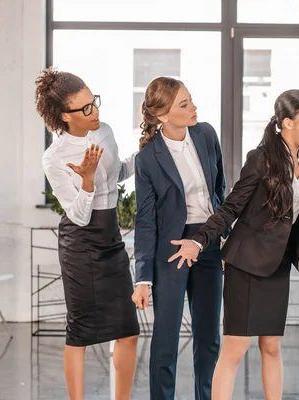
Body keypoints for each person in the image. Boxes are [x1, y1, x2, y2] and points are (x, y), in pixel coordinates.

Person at [169, 89, 299, 400]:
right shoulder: (260, 160)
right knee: (235, 348)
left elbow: (286, 213)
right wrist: (199, 241)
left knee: (271, 345)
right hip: (247, 265)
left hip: (277, 265)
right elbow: (231, 207)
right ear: (287, 123)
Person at [37, 67, 139, 400]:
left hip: (111, 237)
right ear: (64, 117)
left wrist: (145, 152)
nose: (94, 111)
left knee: (128, 329)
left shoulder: (104, 131)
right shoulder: (54, 158)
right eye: (84, 109)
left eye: (93, 102)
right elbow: (78, 215)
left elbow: (118, 173)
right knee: (80, 332)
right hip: (81, 244)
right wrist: (87, 179)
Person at [131, 77, 227, 400]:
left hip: (208, 241)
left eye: (191, 100)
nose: (193, 108)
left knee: (209, 336)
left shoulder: (206, 134)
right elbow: (144, 221)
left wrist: (222, 233)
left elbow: (219, 190)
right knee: (166, 337)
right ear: (162, 116)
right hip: (171, 248)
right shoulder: (147, 159)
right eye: (184, 105)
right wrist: (142, 278)